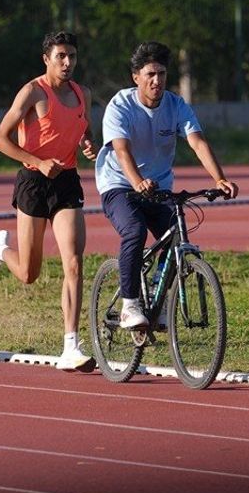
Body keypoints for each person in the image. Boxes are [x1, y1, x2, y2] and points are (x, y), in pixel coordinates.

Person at [94, 41, 239, 331]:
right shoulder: (120, 105)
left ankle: (159, 301)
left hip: (157, 188)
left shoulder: (175, 105)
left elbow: (197, 142)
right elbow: (121, 150)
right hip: (120, 185)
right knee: (134, 231)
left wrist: (219, 179)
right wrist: (137, 182)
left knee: (179, 242)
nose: (156, 80)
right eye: (150, 74)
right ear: (136, 76)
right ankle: (130, 305)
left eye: (161, 73)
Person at [0, 31, 98, 372]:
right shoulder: (33, 91)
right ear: (46, 58)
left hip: (66, 181)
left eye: (72, 56)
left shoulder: (82, 94)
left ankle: (71, 346)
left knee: (73, 264)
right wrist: (35, 160)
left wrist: (89, 144)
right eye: (60, 56)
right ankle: (0, 251)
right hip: (33, 181)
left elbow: (84, 130)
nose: (67, 63)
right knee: (29, 274)